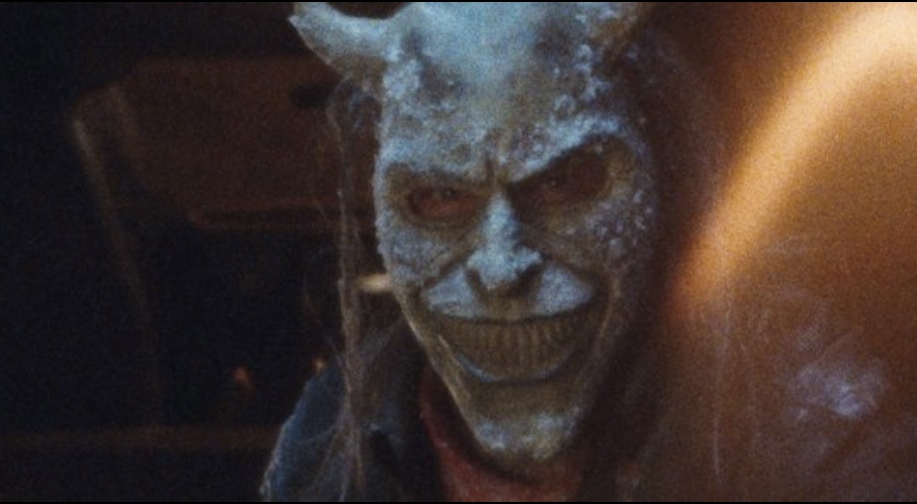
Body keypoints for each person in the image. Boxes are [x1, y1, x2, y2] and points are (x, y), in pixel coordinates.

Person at [262, 3, 716, 500]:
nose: (502, 271)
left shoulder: (755, 425)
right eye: (441, 196)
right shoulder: (326, 444)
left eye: (561, 184)